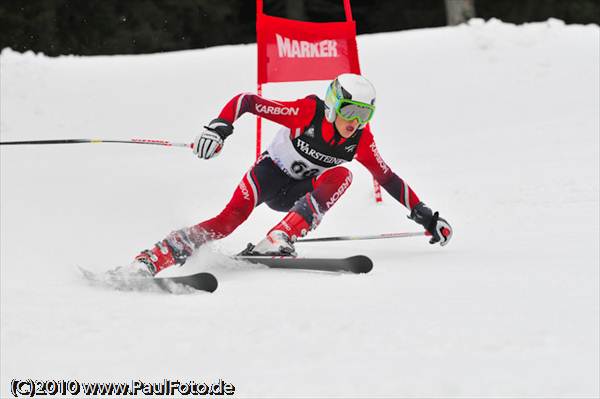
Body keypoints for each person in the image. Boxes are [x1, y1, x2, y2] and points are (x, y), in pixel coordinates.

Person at [134, 73, 453, 275]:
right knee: (227, 221)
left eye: (364, 114)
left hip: (298, 195)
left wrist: (425, 215)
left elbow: (388, 179)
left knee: (342, 175)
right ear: (333, 105)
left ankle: (280, 236)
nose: (354, 121)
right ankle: (155, 257)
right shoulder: (306, 113)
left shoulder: (360, 140)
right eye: (350, 111)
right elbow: (247, 101)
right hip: (268, 176)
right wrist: (218, 128)